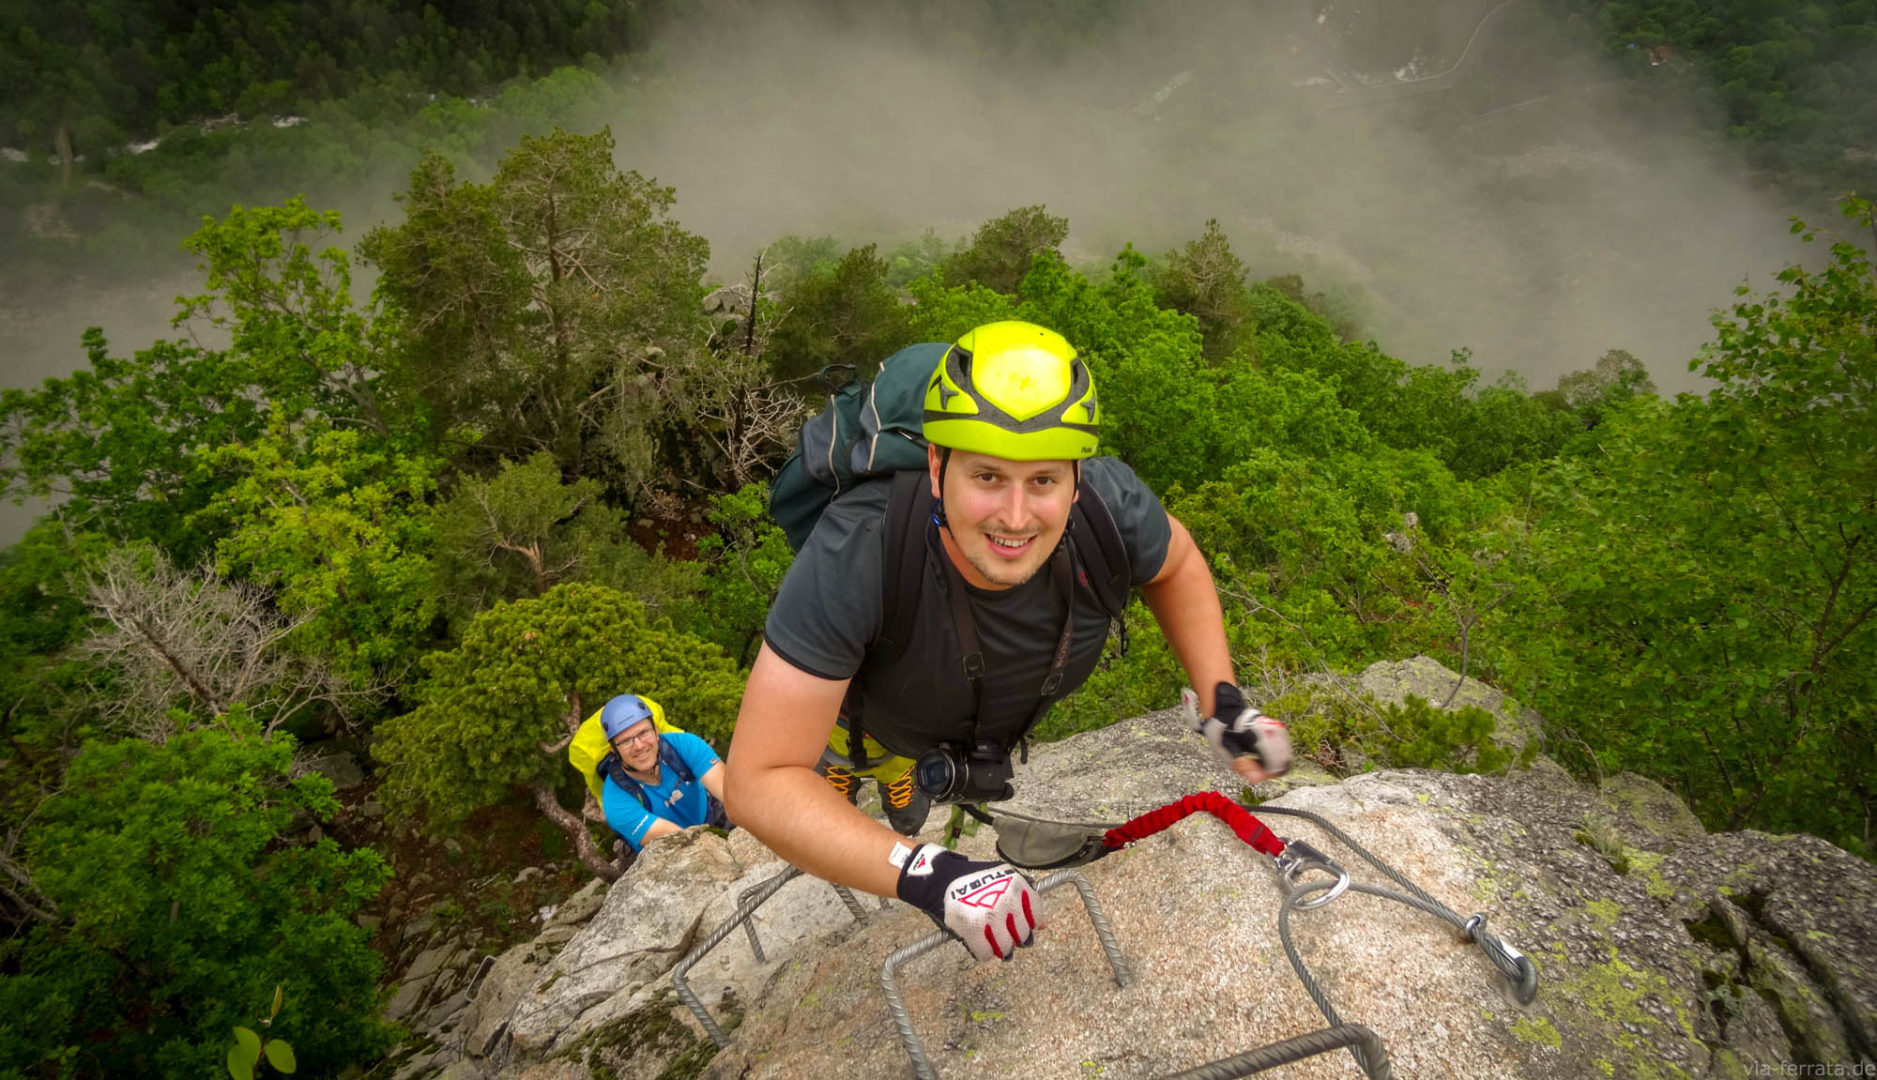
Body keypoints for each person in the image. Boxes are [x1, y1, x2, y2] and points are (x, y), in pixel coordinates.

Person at [725, 320, 1292, 961]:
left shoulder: (1111, 509)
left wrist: (1222, 702)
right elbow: (760, 779)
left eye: (1044, 481)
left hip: (972, 713)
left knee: (902, 799)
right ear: (936, 466)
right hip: (870, 716)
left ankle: (900, 788)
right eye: (988, 477)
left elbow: (1178, 563)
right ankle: (870, 775)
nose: (1016, 518)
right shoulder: (862, 549)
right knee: (856, 763)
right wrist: (929, 875)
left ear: (1078, 477)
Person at [596, 694, 730, 853]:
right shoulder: (615, 799)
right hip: (665, 852)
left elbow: (730, 793)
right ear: (614, 750)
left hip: (709, 815)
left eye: (643, 733)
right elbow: (677, 840)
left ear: (656, 731)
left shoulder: (685, 745)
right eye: (626, 741)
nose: (638, 746)